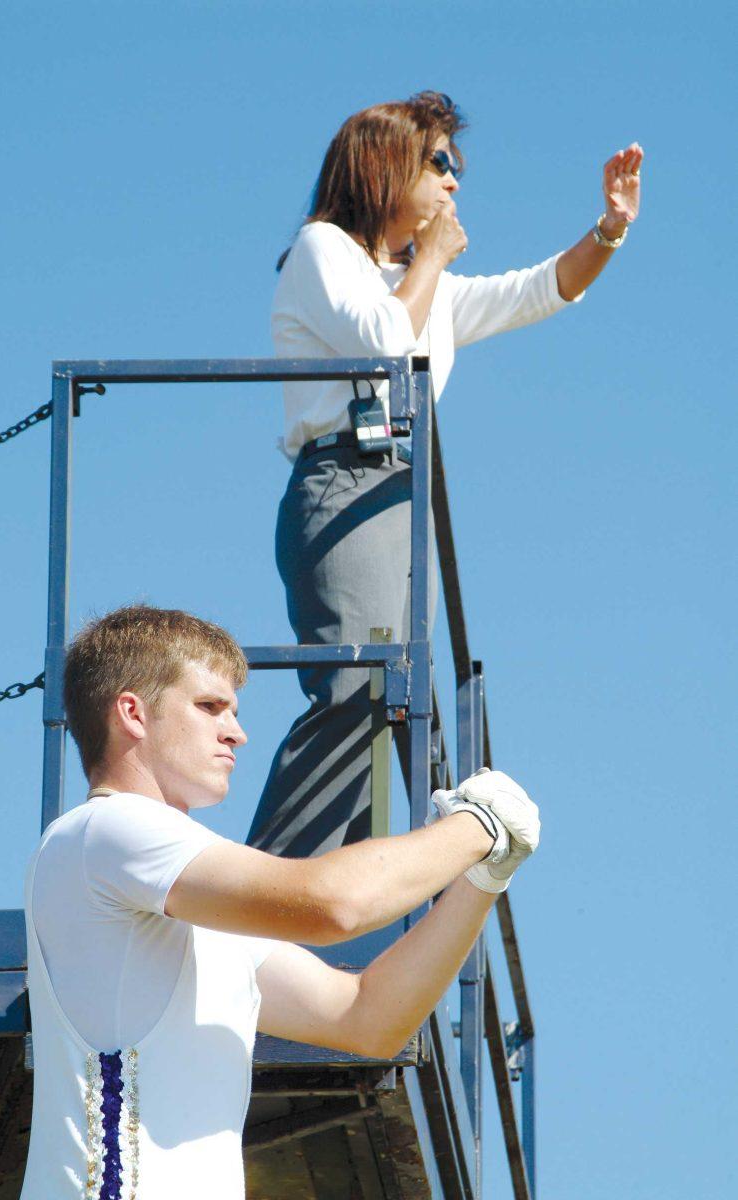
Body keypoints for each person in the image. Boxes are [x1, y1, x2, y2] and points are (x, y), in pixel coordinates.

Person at [19, 604, 540, 1199]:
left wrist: (483, 879)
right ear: (133, 713)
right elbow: (332, 904)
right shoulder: (104, 832)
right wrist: (478, 829)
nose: (236, 732)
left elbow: (369, 1019)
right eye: (210, 706)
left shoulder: (187, 906)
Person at [247, 91, 642, 859]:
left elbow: (536, 290)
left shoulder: (416, 287)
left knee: (387, 697)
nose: (454, 182)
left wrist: (608, 231)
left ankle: (337, 881)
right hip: (345, 482)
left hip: (398, 489)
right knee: (353, 690)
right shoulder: (322, 249)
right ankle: (272, 878)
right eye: (439, 163)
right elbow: (386, 343)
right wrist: (428, 259)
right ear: (384, 165)